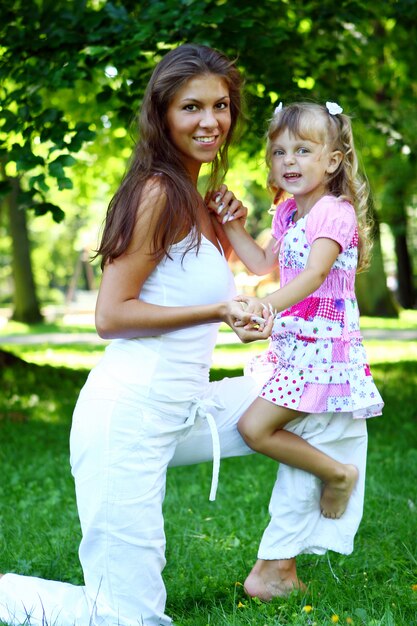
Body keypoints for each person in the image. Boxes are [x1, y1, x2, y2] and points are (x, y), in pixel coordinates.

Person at [0, 43, 279, 626]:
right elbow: (112, 316)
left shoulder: (199, 199)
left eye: (222, 106)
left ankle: (279, 566)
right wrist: (219, 312)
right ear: (162, 114)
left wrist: (234, 229)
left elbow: (252, 275)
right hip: (126, 419)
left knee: (321, 401)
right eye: (192, 107)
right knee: (128, 619)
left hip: (187, 408)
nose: (211, 121)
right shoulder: (157, 192)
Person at [208, 101, 384, 599]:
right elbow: (265, 262)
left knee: (255, 426)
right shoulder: (289, 210)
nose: (289, 160)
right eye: (279, 151)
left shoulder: (335, 210)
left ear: (332, 160)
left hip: (324, 349)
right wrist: (230, 224)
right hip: (294, 347)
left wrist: (264, 311)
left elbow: (313, 275)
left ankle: (336, 472)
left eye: (303, 150)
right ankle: (283, 554)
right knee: (263, 426)